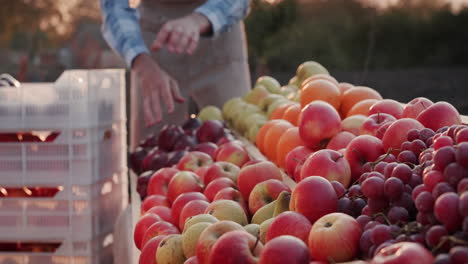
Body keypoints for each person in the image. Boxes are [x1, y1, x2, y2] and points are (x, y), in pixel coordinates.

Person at [100, 0, 252, 148]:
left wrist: (199, 20)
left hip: (220, 33)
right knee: (151, 155)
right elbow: (113, 5)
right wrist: (142, 63)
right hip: (152, 47)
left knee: (240, 142)